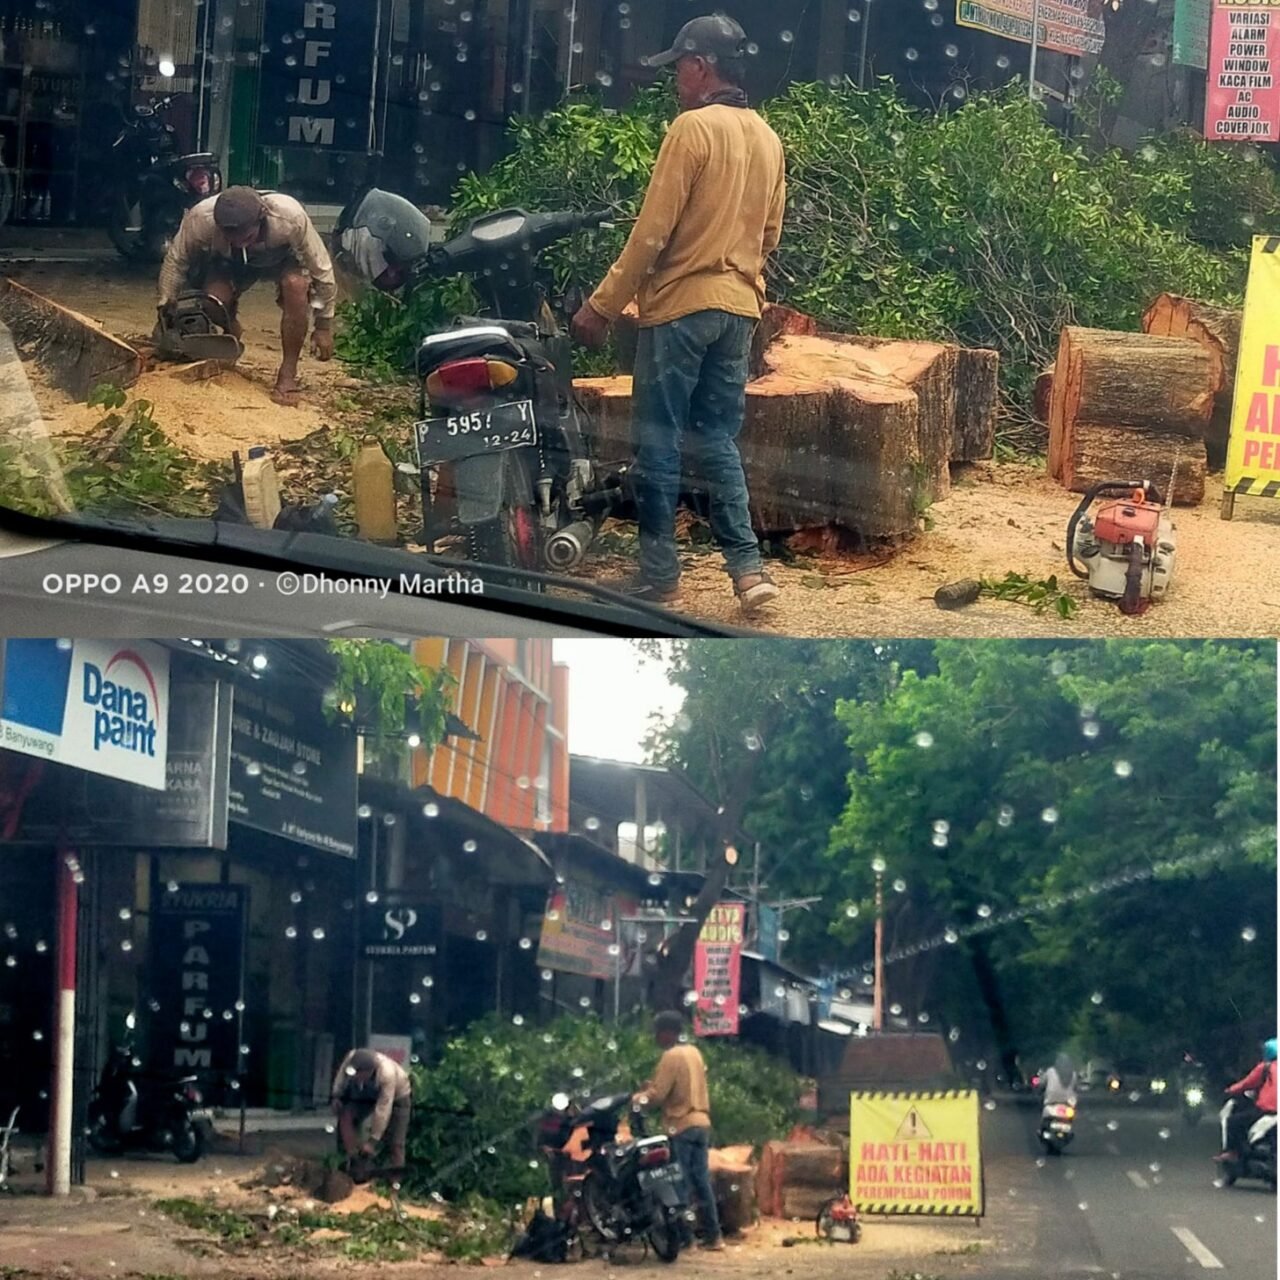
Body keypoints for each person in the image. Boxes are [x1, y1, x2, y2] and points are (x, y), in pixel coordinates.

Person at [570, 14, 786, 616]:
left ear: (701, 67)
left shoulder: (692, 131)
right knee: (716, 437)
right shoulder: (768, 138)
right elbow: (770, 234)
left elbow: (650, 236)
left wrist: (602, 305)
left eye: (679, 69)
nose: (674, 82)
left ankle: (660, 574)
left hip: (681, 310)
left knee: (659, 440)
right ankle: (747, 572)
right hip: (738, 310)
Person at [157, 186, 336, 406]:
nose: (240, 243)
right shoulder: (200, 218)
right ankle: (231, 335)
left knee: (296, 286)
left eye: (247, 236)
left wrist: (323, 325)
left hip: (280, 259)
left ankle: (288, 373)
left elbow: (322, 269)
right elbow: (176, 261)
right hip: (228, 262)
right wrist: (166, 306)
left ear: (262, 218)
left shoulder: (291, 217)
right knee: (213, 300)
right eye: (231, 237)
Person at [634, 1010, 723, 1251]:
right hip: (701, 1123)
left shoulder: (670, 1056)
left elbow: (658, 1095)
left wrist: (638, 1098)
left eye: (657, 1033)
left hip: (681, 1124)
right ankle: (714, 1236)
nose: (656, 1038)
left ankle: (686, 1238)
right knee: (701, 1181)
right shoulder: (694, 1052)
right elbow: (681, 1085)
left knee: (678, 1183)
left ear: (666, 1032)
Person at [331, 1046, 413, 1171]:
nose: (354, 1076)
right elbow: (341, 1077)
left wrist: (373, 1141)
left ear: (369, 1071)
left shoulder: (387, 1074)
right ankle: (352, 1160)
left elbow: (383, 1109)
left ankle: (395, 1180)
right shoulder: (351, 1058)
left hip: (397, 1095)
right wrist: (337, 1096)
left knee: (396, 1143)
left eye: (358, 1074)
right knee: (345, 1114)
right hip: (365, 1090)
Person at [1216, 1037, 1277, 1163]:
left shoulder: (1265, 1068)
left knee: (1233, 1121)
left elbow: (1246, 1084)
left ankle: (1233, 1152)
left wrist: (1229, 1091)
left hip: (1268, 1110)